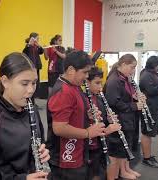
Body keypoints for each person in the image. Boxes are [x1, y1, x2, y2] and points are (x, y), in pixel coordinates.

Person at [0, 52, 50, 180]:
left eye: (34, 83)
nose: (30, 90)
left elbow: (41, 144)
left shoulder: (32, 110)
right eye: (24, 84)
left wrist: (44, 153)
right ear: (5, 81)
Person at [46, 50, 105, 180]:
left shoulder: (74, 86)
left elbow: (73, 112)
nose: (86, 76)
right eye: (84, 72)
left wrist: (87, 115)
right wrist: (88, 133)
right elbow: (59, 128)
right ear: (71, 70)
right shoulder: (64, 92)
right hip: (65, 157)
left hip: (77, 152)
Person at [104, 54, 143, 179]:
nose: (133, 71)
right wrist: (134, 106)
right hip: (120, 118)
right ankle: (122, 171)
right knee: (120, 148)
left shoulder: (124, 78)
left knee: (126, 145)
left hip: (127, 118)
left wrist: (136, 98)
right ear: (123, 64)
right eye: (132, 67)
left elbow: (125, 96)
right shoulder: (114, 80)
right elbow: (114, 102)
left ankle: (126, 168)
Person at [85, 67, 121, 180]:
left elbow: (102, 121)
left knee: (100, 172)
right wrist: (107, 130)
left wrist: (109, 120)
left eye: (101, 83)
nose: (100, 87)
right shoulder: (83, 100)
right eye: (97, 83)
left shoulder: (99, 99)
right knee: (93, 175)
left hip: (100, 145)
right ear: (87, 82)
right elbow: (86, 128)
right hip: (89, 147)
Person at [139, 56, 158, 168]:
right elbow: (151, 91)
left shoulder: (152, 74)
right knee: (147, 133)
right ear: (156, 65)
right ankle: (146, 158)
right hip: (150, 108)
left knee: (150, 134)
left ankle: (148, 155)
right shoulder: (146, 75)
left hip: (155, 108)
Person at [23, 32, 44, 101]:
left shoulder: (36, 47)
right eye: (37, 39)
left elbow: (41, 51)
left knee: (36, 85)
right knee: (31, 84)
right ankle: (30, 101)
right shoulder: (28, 46)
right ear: (33, 39)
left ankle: (33, 101)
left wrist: (38, 45)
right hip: (30, 69)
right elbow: (24, 52)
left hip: (36, 68)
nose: (38, 40)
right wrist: (29, 44)